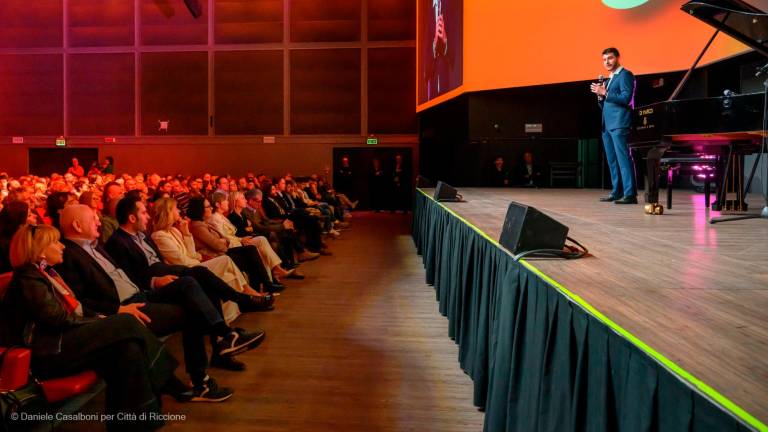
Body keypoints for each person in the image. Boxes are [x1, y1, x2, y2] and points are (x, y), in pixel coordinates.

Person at [55, 205, 255, 400]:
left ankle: (225, 334)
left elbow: (129, 276)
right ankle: (204, 375)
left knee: (189, 282)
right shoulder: (69, 255)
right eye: (93, 218)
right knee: (191, 311)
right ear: (77, 225)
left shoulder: (96, 247)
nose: (99, 221)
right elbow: (81, 302)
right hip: (126, 307)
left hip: (141, 294)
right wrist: (119, 309)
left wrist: (152, 284)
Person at [1, 225, 192, 429]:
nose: (61, 246)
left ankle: (138, 420)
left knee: (127, 349)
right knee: (125, 321)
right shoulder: (28, 279)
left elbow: (76, 311)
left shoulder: (47, 274)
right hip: (47, 353)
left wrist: (101, 319)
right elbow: (57, 319)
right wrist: (102, 321)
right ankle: (166, 380)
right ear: (40, 251)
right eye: (54, 242)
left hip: (62, 343)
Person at [591, 47, 637, 204]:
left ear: (617, 58)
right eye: (604, 59)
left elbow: (626, 98)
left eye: (610, 58)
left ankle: (630, 194)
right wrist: (600, 97)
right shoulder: (609, 79)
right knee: (612, 160)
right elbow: (606, 106)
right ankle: (616, 192)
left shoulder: (625, 75)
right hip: (607, 124)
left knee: (623, 159)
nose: (607, 62)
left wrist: (605, 93)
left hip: (619, 123)